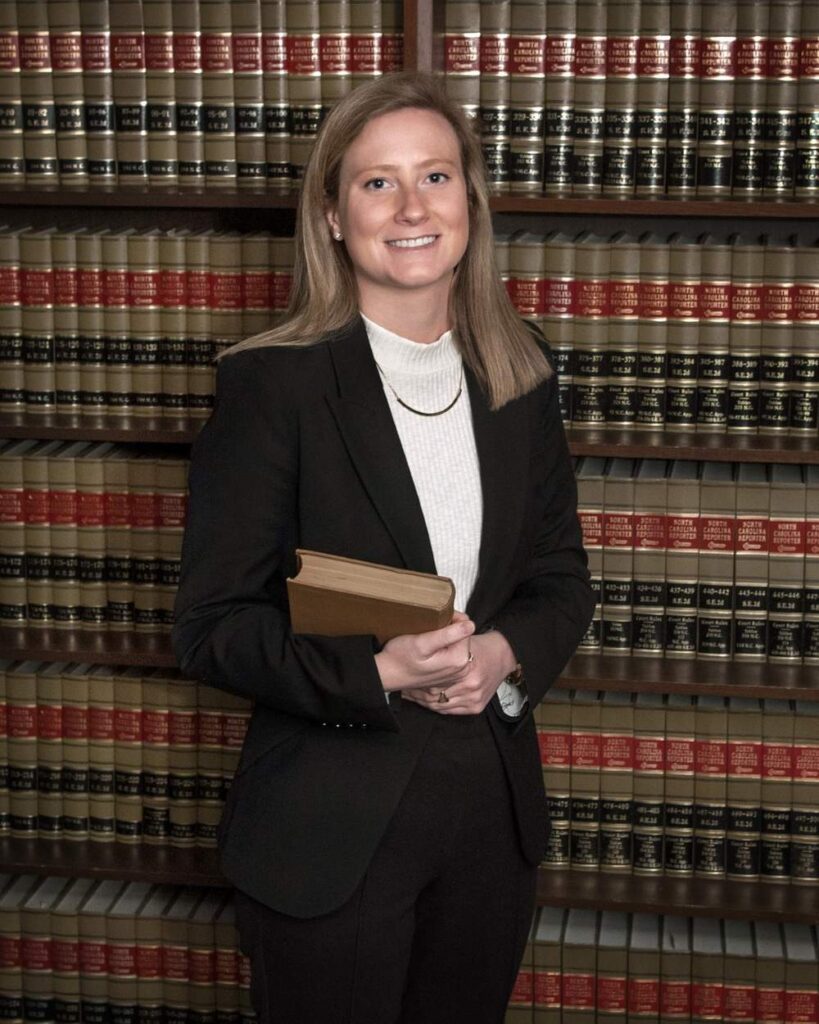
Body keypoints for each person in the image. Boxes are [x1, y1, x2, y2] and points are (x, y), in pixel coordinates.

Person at [172, 71, 594, 1024]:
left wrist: (500, 651)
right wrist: (380, 672)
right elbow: (210, 629)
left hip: (489, 814)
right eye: (376, 183)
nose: (411, 207)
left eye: (435, 177)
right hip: (328, 824)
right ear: (330, 214)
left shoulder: (519, 369)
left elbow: (561, 579)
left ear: (469, 203)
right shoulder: (270, 386)